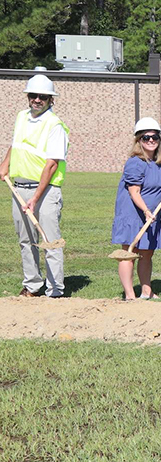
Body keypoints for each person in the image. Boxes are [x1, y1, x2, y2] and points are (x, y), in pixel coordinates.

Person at [0, 70, 69, 298]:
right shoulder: (21, 117)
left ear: (51, 100)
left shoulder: (54, 125)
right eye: (33, 95)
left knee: (50, 241)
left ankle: (55, 290)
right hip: (19, 187)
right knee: (26, 240)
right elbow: (16, 144)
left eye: (42, 96)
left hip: (45, 192)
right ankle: (32, 285)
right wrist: (5, 164)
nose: (37, 100)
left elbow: (51, 164)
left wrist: (36, 198)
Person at [111, 118, 161, 300]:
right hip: (134, 215)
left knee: (147, 253)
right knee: (129, 253)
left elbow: (155, 183)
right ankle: (130, 295)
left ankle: (146, 291)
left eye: (154, 137)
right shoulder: (135, 163)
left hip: (151, 215)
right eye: (146, 137)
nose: (151, 140)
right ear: (139, 140)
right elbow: (134, 191)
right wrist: (146, 211)